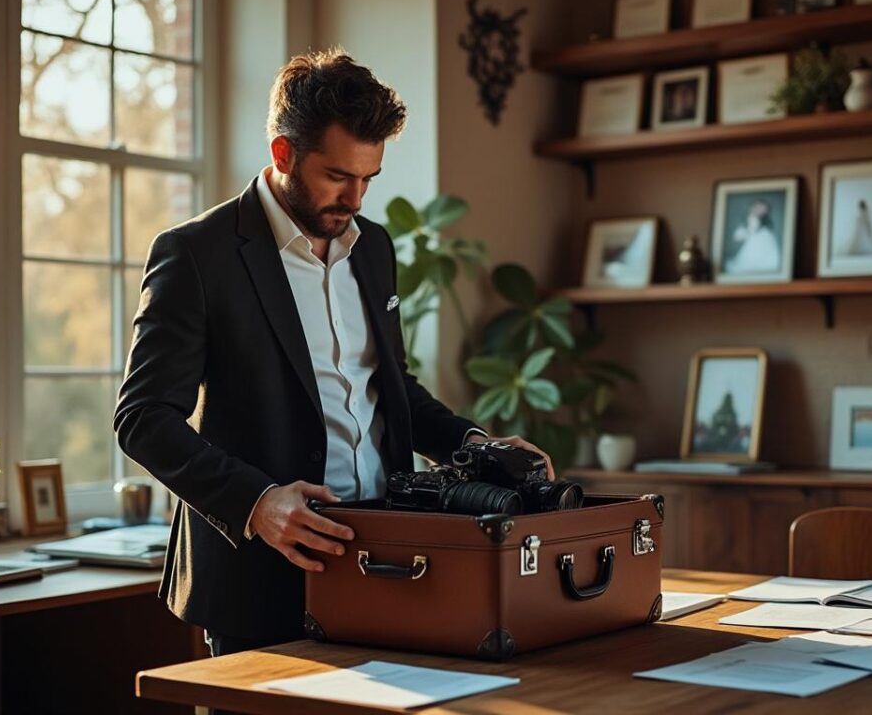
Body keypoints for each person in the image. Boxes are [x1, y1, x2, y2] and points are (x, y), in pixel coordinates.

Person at [114, 49, 554, 664]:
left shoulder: (372, 247)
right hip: (261, 579)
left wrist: (479, 446)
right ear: (283, 154)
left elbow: (391, 387)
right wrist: (258, 503)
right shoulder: (196, 254)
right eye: (337, 176)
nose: (355, 197)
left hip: (392, 562)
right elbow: (142, 419)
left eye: (369, 178)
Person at [725, 199, 780, 274]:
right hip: (754, 242)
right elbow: (739, 236)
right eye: (758, 207)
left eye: (764, 209)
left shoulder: (766, 225)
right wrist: (750, 229)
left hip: (764, 242)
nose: (761, 210)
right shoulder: (750, 219)